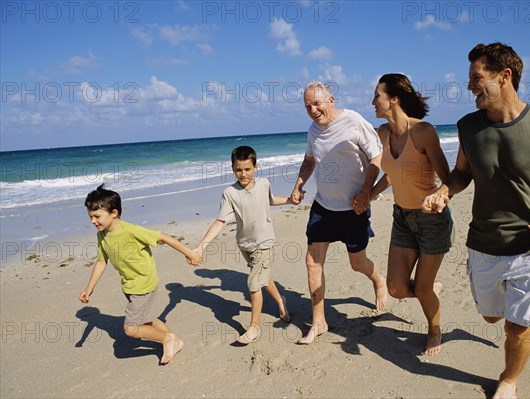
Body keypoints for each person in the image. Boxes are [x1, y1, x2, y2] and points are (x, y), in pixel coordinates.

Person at [422, 42, 530, 398]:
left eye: (476, 78)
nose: (469, 86)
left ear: (504, 77)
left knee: (517, 328)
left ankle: (509, 379)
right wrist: (445, 190)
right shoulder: (468, 127)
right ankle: (509, 316)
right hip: (484, 245)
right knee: (491, 318)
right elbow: (461, 174)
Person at [291, 81, 388, 345]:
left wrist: (366, 192)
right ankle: (319, 321)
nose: (313, 110)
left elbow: (377, 157)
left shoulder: (353, 121)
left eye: (317, 103)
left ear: (331, 100)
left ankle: (378, 279)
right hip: (323, 207)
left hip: (353, 208)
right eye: (308, 106)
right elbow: (310, 160)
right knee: (313, 262)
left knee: (357, 263)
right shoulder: (313, 130)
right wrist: (299, 185)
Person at [369, 73, 453, 355]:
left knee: (423, 289)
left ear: (394, 98)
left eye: (377, 95)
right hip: (402, 218)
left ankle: (434, 329)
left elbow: (449, 178)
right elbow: (392, 174)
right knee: (395, 288)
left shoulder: (423, 132)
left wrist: (441, 195)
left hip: (432, 221)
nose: (373, 102)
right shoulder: (382, 134)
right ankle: (429, 289)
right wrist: (368, 194)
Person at [79, 184, 201, 365]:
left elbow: (164, 237)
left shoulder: (131, 230)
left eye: (97, 216)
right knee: (148, 319)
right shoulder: (102, 235)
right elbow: (101, 261)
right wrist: (89, 289)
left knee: (131, 328)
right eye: (91, 217)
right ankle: (173, 340)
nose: (93, 221)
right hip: (129, 285)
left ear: (113, 213)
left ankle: (167, 340)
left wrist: (190, 253)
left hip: (143, 284)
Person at [191, 145, 291, 345]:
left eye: (247, 169)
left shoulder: (264, 183)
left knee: (254, 284)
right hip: (245, 244)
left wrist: (290, 200)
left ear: (256, 167)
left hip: (264, 242)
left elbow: (270, 200)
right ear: (232, 168)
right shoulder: (230, 193)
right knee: (262, 276)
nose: (243, 174)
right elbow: (220, 222)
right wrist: (201, 246)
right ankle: (281, 301)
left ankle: (254, 327)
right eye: (238, 169)